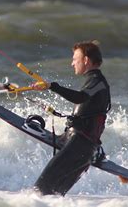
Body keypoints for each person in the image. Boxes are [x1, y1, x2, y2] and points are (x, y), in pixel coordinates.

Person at [31, 40, 111, 196]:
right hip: (81, 145)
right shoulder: (94, 81)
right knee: (54, 195)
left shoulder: (98, 82)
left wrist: (52, 86)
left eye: (75, 59)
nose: (72, 63)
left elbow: (80, 97)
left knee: (40, 190)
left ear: (86, 60)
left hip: (80, 145)